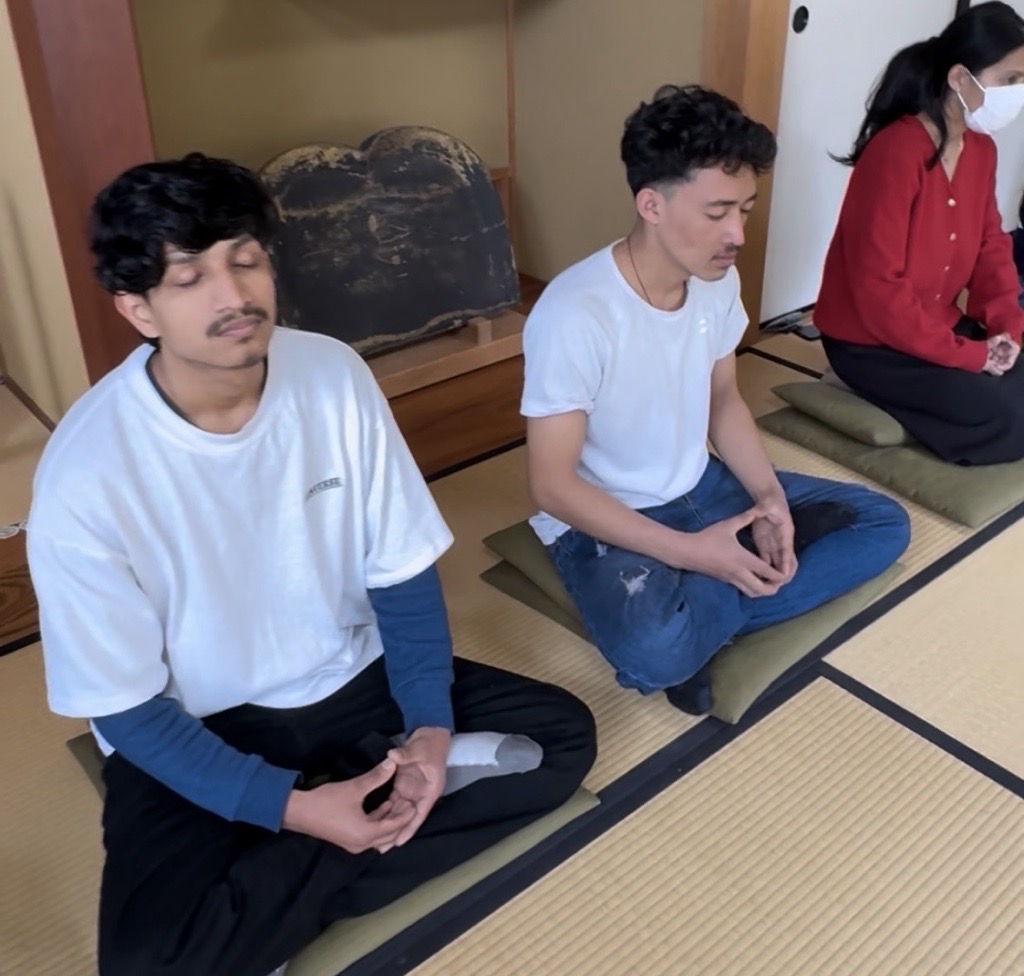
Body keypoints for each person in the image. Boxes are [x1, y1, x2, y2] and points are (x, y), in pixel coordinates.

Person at [27, 153, 596, 976]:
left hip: (349, 677)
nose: (232, 295)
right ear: (137, 307)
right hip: (204, 722)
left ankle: (298, 861)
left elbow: (400, 571)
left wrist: (429, 728)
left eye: (245, 260)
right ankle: (346, 809)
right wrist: (290, 808)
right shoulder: (85, 474)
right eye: (190, 278)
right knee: (149, 963)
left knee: (563, 740)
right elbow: (126, 713)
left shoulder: (332, 373)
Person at [521, 85, 910, 713]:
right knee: (654, 650)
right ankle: (719, 588)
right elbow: (552, 486)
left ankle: (712, 602)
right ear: (651, 203)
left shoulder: (715, 281)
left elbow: (724, 400)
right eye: (717, 212)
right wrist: (689, 552)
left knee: (884, 524)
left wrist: (769, 498)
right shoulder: (574, 314)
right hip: (609, 515)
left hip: (702, 484)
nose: (737, 234)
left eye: (745, 210)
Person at [816, 1, 1024, 465]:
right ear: (960, 78)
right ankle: (854, 386)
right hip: (870, 340)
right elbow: (878, 289)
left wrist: (1006, 329)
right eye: (1009, 79)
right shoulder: (896, 151)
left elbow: (991, 246)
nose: (1018, 93)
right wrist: (970, 356)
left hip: (937, 324)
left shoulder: (982, 150)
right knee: (1005, 420)